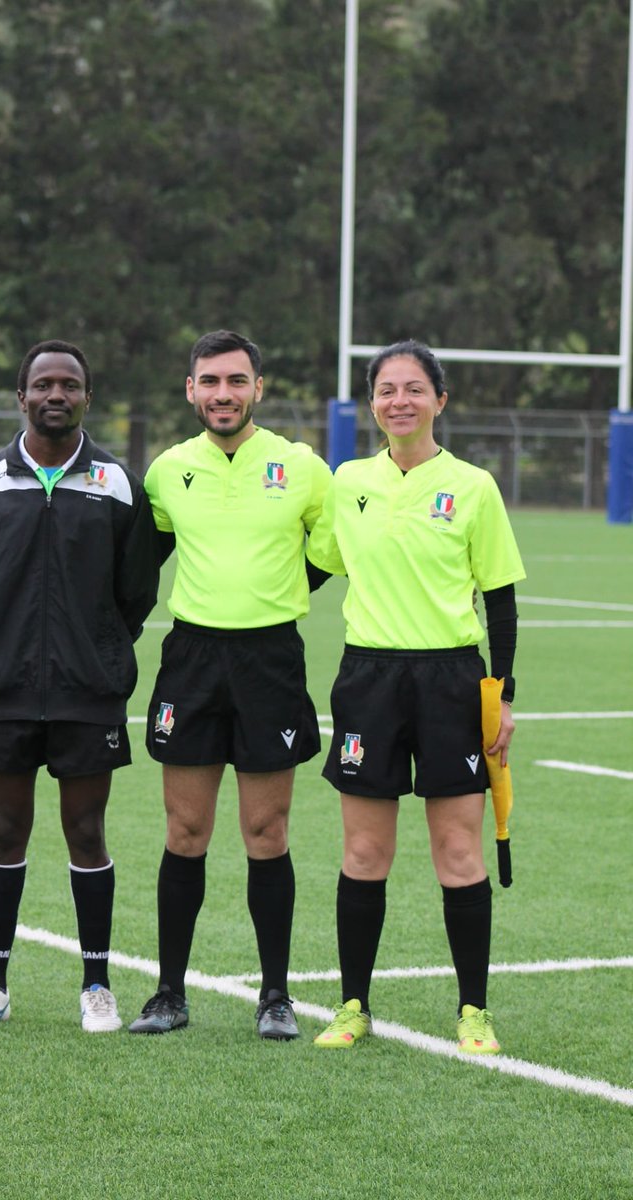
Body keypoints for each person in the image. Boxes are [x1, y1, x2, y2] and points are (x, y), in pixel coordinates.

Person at [306, 339, 525, 1054]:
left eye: (413, 388)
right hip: (368, 678)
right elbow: (313, 572)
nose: (399, 400)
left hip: (450, 681)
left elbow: (499, 600)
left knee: (458, 850)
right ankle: (352, 1005)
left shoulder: (473, 486)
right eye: (386, 390)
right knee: (364, 849)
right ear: (371, 403)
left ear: (440, 399)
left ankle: (474, 1011)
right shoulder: (348, 482)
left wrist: (503, 695)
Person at [127, 329, 332, 1040]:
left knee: (265, 831)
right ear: (191, 390)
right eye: (209, 381)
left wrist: (278, 591)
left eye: (236, 380)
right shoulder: (166, 471)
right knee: (186, 830)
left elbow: (329, 550)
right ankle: (168, 994)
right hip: (192, 659)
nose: (223, 394)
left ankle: (275, 996)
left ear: (258, 387)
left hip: (270, 661)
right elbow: (138, 564)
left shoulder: (301, 466)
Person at [0, 339, 159, 1033]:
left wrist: (94, 652)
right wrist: (3, 647)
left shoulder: (117, 485)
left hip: (86, 692)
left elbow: (135, 594)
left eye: (69, 384)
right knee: (7, 828)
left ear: (87, 399)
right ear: (22, 397)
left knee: (86, 830)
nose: (56, 395)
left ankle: (96, 984)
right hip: (3, 689)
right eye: (44, 384)